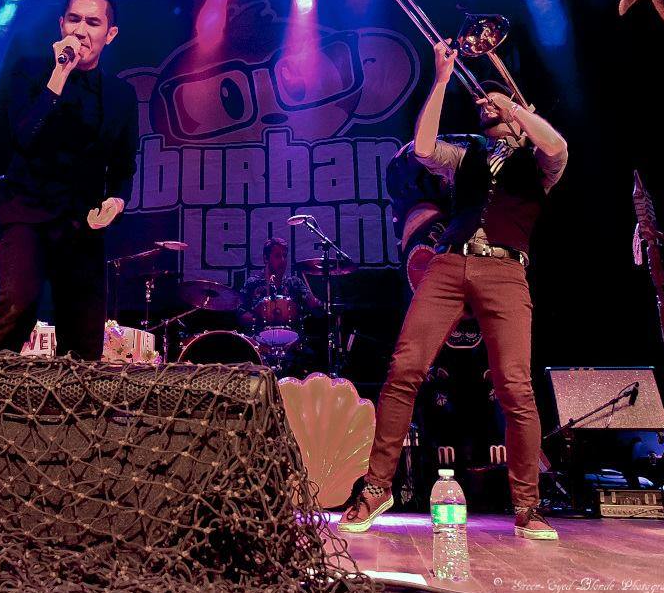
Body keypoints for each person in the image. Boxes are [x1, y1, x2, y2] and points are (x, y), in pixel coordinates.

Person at [339, 40, 567, 540]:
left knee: (515, 387)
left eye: (493, 100)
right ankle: (376, 488)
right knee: (404, 370)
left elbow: (556, 146)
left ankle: (527, 506)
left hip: (506, 272)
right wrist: (442, 80)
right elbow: (423, 148)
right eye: (483, 100)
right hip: (447, 263)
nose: (484, 103)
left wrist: (511, 106)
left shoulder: (539, 161)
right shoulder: (467, 155)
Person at [0, 0, 138, 359]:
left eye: (93, 23)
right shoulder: (30, 72)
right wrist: (60, 73)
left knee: (84, 338)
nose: (81, 31)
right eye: (74, 20)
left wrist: (116, 201)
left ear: (110, 34)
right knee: (16, 308)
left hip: (82, 224)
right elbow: (23, 136)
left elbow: (123, 165)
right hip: (26, 212)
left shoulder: (121, 95)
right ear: (61, 24)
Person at [238, 237, 322, 330]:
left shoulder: (294, 283)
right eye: (277, 256)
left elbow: (316, 310)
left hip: (291, 337)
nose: (282, 260)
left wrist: (314, 303)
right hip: (260, 336)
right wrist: (258, 317)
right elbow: (241, 314)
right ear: (266, 259)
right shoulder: (253, 283)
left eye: (285, 256)